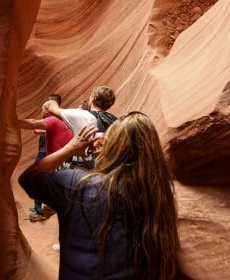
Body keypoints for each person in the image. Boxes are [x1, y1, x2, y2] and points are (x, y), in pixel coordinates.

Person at [19, 112, 180, 280]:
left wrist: (70, 149)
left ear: (111, 148)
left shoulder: (78, 184)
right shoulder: (160, 197)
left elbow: (28, 178)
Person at [19, 96, 74, 220]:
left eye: (42, 109)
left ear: (48, 109)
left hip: (56, 162)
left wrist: (13, 121)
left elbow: (33, 123)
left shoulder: (53, 119)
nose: (41, 111)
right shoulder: (64, 119)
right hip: (63, 161)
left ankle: (40, 212)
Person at [29, 94, 63, 221]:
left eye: (47, 103)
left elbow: (56, 129)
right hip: (47, 149)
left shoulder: (55, 116)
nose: (45, 106)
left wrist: (40, 130)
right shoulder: (58, 115)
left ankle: (39, 211)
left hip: (46, 151)